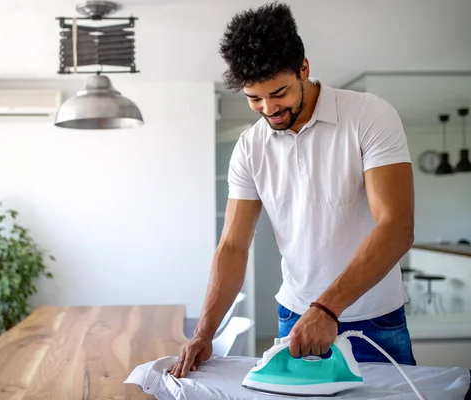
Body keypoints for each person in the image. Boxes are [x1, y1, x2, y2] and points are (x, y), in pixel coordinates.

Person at [170, 1, 416, 379]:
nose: (269, 109)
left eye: (279, 92)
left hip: (374, 319)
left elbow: (396, 225)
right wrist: (205, 332)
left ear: (304, 68)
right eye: (254, 98)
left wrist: (327, 309)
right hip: (295, 316)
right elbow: (233, 247)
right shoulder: (251, 147)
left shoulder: (369, 115)